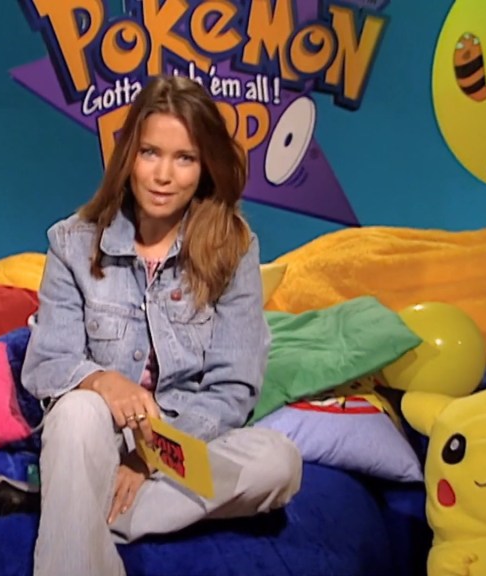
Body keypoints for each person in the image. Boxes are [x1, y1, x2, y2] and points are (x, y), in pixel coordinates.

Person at [21, 74, 302, 576]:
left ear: (205, 166)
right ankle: (76, 506)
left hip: (180, 444)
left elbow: (232, 388)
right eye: (150, 153)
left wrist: (150, 458)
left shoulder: (235, 248)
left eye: (184, 158)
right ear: (129, 154)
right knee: (78, 410)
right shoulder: (72, 242)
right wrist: (102, 381)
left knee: (278, 464)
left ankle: (69, 506)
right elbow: (47, 363)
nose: (163, 175)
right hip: (95, 436)